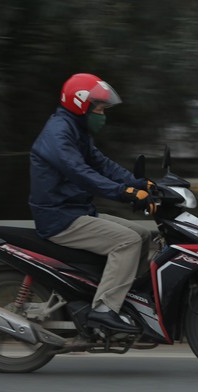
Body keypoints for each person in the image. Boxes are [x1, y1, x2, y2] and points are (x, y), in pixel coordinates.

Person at [28, 73, 156, 334]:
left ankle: (127, 302)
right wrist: (124, 192)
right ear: (80, 104)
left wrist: (140, 183)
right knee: (127, 241)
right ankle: (104, 311)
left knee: (143, 235)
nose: (102, 113)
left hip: (76, 211)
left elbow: (102, 164)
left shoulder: (76, 130)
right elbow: (82, 174)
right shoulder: (59, 135)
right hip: (60, 218)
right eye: (98, 107)